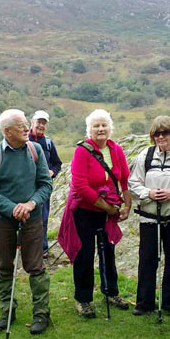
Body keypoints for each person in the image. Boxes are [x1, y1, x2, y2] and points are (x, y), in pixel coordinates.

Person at [0, 109, 53, 334]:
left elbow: (45, 184)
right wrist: (13, 209)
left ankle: (41, 313)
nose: (26, 129)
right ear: (7, 131)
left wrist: (30, 204)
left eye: (25, 125)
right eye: (21, 126)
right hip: (3, 221)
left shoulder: (35, 150)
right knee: (3, 265)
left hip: (32, 219)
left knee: (36, 266)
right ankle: (7, 310)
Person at [58, 109, 132, 318]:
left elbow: (124, 179)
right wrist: (108, 208)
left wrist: (126, 205)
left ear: (110, 128)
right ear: (89, 130)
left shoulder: (116, 150)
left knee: (108, 252)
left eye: (104, 125)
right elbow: (80, 185)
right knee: (85, 253)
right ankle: (83, 299)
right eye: (96, 126)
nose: (100, 129)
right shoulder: (82, 151)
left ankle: (111, 293)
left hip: (107, 211)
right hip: (84, 211)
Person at [128, 115, 170, 317]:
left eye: (165, 133)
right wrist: (149, 193)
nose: (161, 137)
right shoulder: (145, 156)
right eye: (156, 133)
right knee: (147, 260)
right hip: (149, 218)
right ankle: (144, 302)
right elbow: (133, 183)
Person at [28, 110, 62, 254]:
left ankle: (43, 248)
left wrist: (52, 172)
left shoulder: (48, 143)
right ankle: (26, 247)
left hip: (43, 186)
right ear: (32, 122)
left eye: (44, 123)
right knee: (26, 216)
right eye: (39, 122)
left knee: (43, 217)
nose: (41, 125)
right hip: (26, 185)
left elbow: (57, 163)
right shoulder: (24, 139)